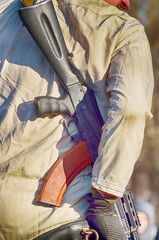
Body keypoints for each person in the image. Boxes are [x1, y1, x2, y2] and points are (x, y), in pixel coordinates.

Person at [0, 0, 154, 239]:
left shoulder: (9, 8)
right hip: (59, 218)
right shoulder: (124, 32)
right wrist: (105, 198)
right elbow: (130, 112)